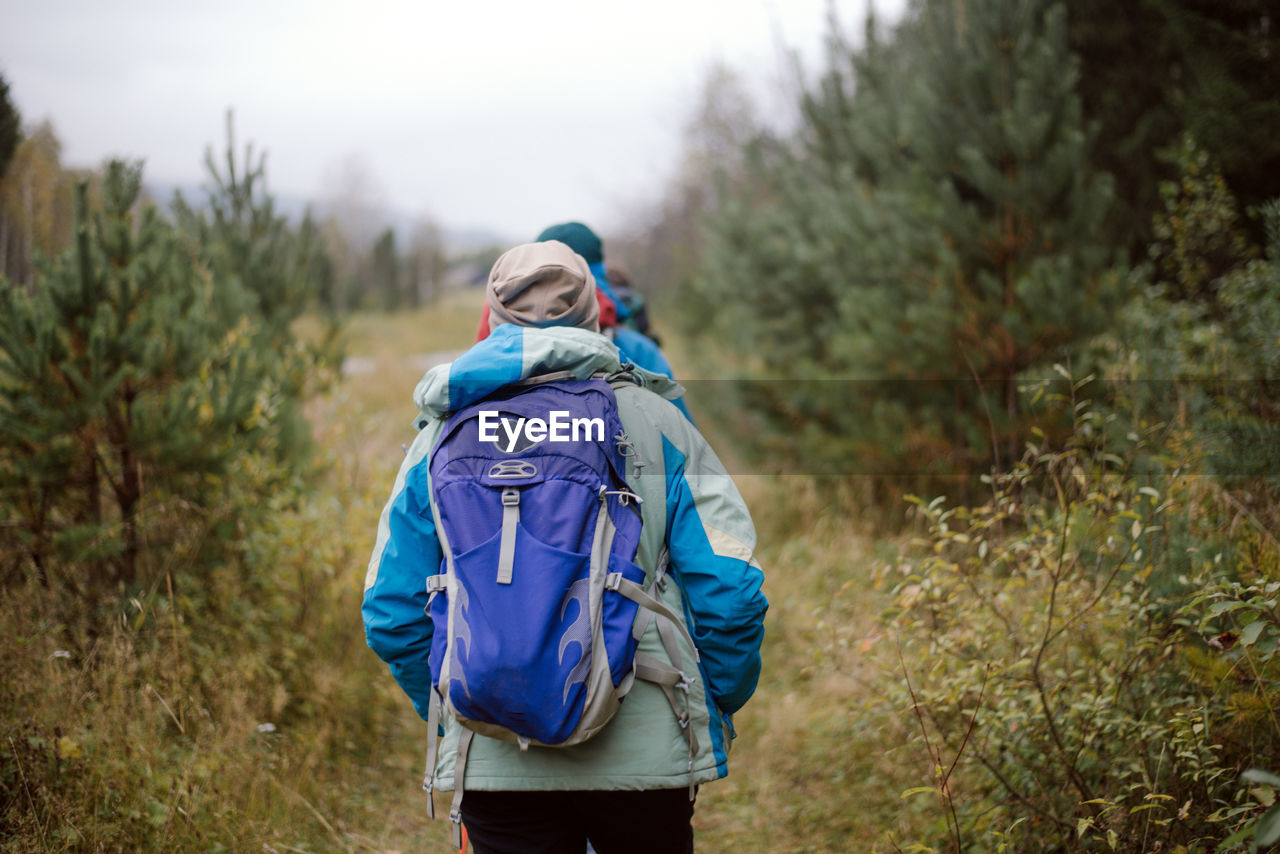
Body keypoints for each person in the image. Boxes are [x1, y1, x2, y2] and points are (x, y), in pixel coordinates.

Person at [362, 240, 767, 853]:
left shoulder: (439, 438)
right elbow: (731, 590)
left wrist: (469, 702)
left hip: (498, 765)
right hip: (646, 748)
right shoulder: (658, 423)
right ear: (592, 317)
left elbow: (390, 610)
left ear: (494, 320)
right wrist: (710, 698)